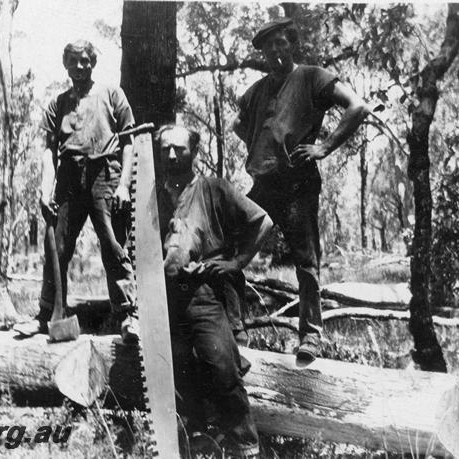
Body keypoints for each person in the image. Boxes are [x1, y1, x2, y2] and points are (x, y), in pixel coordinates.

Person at [233, 17, 370, 361]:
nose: (275, 51)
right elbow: (238, 122)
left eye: (281, 43)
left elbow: (358, 106)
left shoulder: (311, 76)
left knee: (306, 263)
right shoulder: (258, 90)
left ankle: (311, 337)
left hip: (297, 183)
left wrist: (323, 148)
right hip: (263, 185)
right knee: (230, 250)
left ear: (291, 44)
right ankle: (234, 328)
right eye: (269, 46)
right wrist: (261, 147)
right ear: (262, 53)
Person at [159, 125, 272, 459]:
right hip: (166, 298)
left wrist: (236, 263)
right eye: (165, 148)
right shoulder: (155, 196)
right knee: (175, 371)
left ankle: (247, 447)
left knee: (222, 366)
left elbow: (261, 222)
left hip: (204, 294)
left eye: (178, 149)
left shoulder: (214, 189)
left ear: (194, 152)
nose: (170, 155)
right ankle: (192, 444)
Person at [13, 40, 138, 342]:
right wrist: (45, 191)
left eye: (85, 61)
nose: (80, 66)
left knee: (112, 245)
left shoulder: (111, 94)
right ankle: (47, 316)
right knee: (57, 249)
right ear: (65, 64)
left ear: (93, 63)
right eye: (74, 61)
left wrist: (123, 186)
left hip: (104, 175)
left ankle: (128, 315)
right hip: (68, 181)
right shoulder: (58, 103)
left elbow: (130, 142)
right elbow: (47, 150)